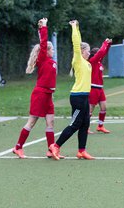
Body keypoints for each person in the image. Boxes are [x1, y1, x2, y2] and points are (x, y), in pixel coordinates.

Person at [12, 18, 61, 159]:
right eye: (52, 49)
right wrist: (44, 27)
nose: (53, 50)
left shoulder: (52, 61)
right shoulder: (43, 59)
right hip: (39, 94)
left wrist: (40, 28)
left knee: (50, 122)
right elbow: (43, 43)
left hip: (48, 95)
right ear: (46, 51)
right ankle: (18, 147)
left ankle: (51, 150)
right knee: (32, 122)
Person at [49, 20, 94, 160]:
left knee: (85, 123)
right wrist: (74, 27)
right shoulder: (78, 59)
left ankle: (81, 150)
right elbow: (76, 42)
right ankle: (55, 146)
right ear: (82, 51)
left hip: (85, 96)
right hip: (78, 97)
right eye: (87, 50)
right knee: (75, 124)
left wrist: (78, 26)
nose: (89, 52)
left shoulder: (87, 63)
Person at [87, 38, 112, 134]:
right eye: (98, 54)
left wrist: (108, 45)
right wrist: (104, 42)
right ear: (95, 54)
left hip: (100, 88)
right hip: (93, 88)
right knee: (90, 109)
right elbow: (101, 52)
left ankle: (100, 126)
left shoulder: (99, 62)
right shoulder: (92, 61)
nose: (101, 55)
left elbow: (104, 52)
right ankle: (86, 127)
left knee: (103, 107)